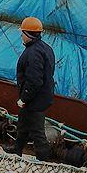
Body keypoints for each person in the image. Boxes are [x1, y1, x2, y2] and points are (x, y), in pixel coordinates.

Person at [13, 17, 56, 160]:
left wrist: (24, 98)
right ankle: (16, 150)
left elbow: (34, 80)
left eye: (22, 33)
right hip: (40, 96)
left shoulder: (33, 53)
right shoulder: (45, 48)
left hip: (35, 99)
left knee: (37, 132)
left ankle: (44, 161)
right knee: (23, 125)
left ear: (27, 34)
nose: (21, 36)